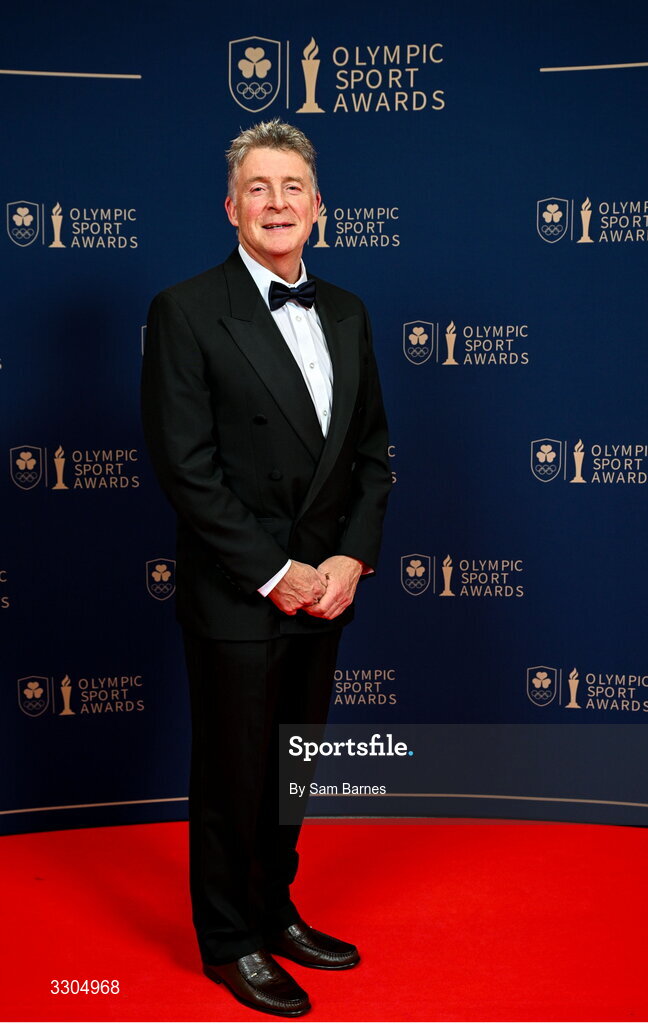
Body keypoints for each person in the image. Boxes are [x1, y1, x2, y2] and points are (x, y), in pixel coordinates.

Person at [141, 119, 391, 1017]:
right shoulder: (186, 309)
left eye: (292, 188)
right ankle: (230, 940)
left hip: (326, 591)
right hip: (240, 590)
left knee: (292, 771)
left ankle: (274, 910)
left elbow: (373, 453)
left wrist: (351, 557)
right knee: (233, 774)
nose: (277, 202)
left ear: (319, 207)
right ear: (231, 207)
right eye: (259, 187)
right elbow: (186, 468)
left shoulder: (349, 311)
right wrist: (277, 571)